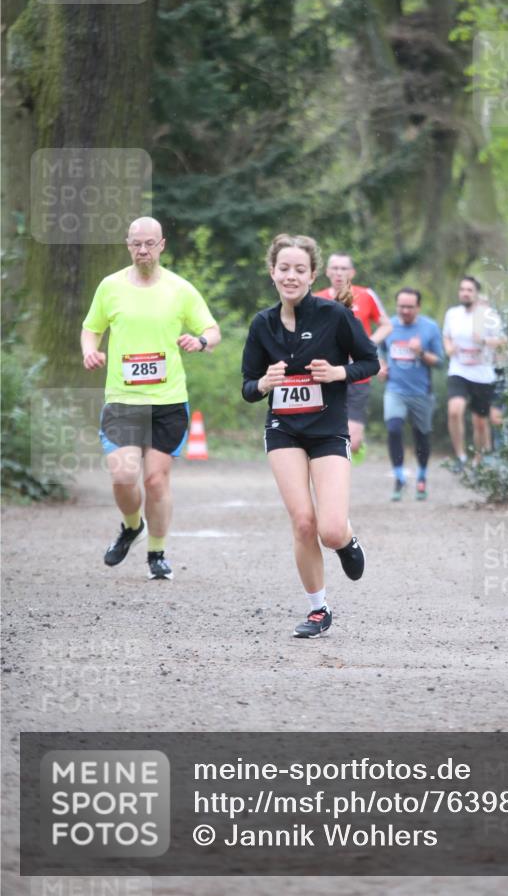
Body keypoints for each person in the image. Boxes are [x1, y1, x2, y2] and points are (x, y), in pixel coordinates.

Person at [241, 234, 380, 638]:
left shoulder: (334, 316)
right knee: (303, 523)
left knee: (330, 530)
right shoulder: (262, 324)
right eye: (284, 268)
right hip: (283, 430)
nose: (291, 276)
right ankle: (319, 609)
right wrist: (263, 384)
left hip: (327, 431)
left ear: (312, 274)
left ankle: (347, 542)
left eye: (299, 270)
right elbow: (248, 387)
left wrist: (339, 373)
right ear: (272, 272)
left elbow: (371, 361)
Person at [81, 217, 220, 580]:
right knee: (123, 476)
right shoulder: (110, 287)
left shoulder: (180, 289)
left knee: (156, 481)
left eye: (149, 243)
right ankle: (132, 526)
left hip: (167, 400)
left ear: (162, 245)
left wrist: (200, 341)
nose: (142, 250)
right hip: (123, 399)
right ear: (128, 245)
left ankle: (157, 553)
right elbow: (91, 328)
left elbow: (212, 330)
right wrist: (89, 351)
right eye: (136, 243)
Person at [314, 253, 392, 463]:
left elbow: (386, 325)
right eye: (335, 268)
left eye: (344, 269)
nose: (339, 273)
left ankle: (354, 444)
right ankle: (334, 466)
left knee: (353, 442)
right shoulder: (316, 299)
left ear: (352, 272)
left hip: (357, 373)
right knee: (328, 434)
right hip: (326, 374)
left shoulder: (366, 295)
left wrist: (367, 345)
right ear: (327, 272)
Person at [379, 288, 444, 502]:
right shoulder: (389, 326)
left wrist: (420, 352)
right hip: (395, 390)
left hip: (421, 392)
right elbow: (379, 350)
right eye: (401, 307)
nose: (405, 311)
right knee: (394, 429)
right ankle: (399, 478)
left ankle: (422, 477)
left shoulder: (430, 327)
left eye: (410, 307)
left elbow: (440, 361)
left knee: (421, 436)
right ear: (396, 306)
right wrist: (381, 365)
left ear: (418, 307)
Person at [442, 276, 505, 470]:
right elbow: (446, 336)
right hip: (459, 370)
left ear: (476, 294)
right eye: (462, 289)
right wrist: (449, 348)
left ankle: (480, 459)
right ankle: (460, 457)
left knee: (480, 422)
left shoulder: (488, 316)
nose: (465, 293)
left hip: (482, 373)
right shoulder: (452, 314)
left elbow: (503, 341)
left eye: (469, 290)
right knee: (454, 410)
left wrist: (484, 341)